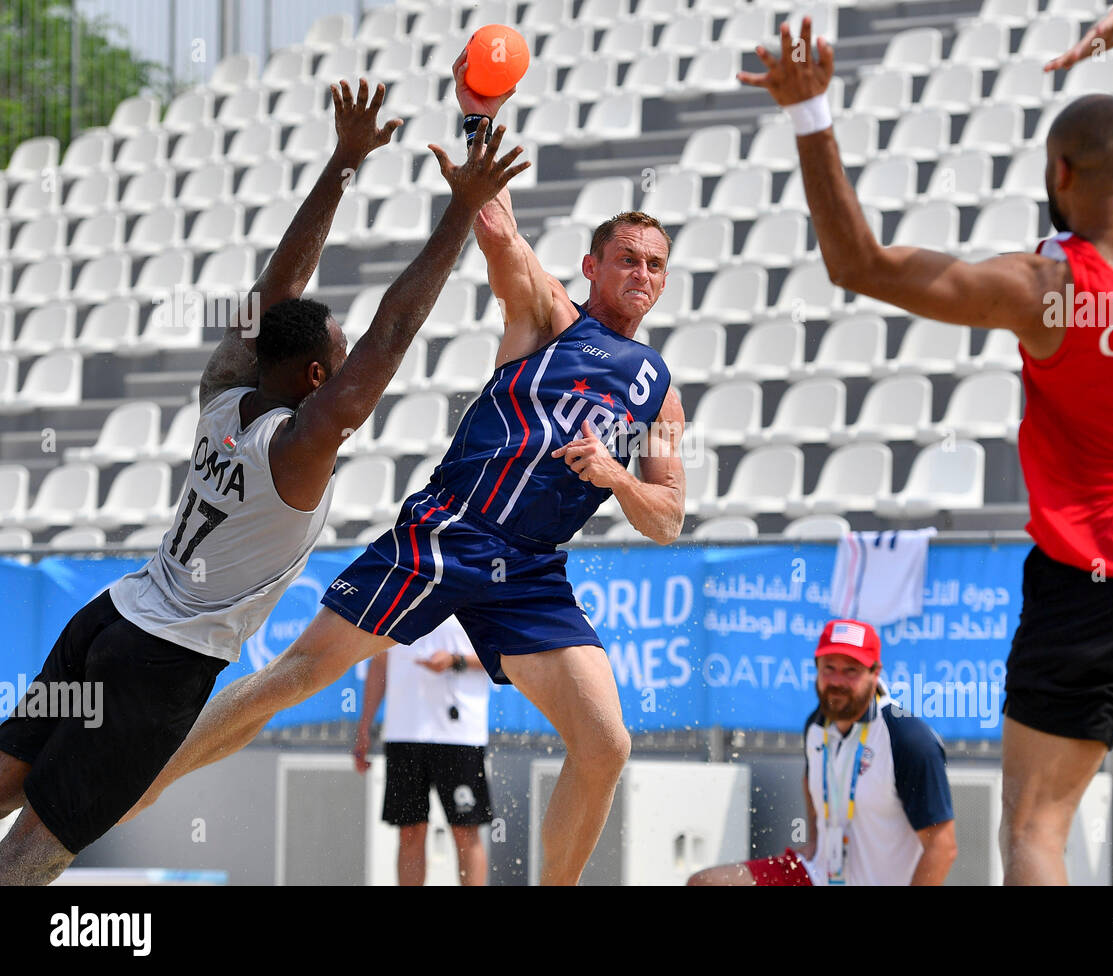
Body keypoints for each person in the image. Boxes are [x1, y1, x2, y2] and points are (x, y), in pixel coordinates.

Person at [128, 49, 687, 886]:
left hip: (529, 570)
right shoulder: (549, 314)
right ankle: (126, 785)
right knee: (297, 677)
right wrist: (478, 120)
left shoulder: (660, 393)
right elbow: (496, 228)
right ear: (593, 267)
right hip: (448, 532)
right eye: (628, 258)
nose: (641, 273)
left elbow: (668, 516)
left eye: (655, 263)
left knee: (606, 744)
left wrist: (618, 477)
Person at [741, 5, 1113, 885]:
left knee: (1036, 828)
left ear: (1058, 173)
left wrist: (809, 114)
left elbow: (859, 265)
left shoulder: (1042, 289)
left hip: (1094, 575)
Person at [0, 78, 527, 885]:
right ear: (317, 375)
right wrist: (464, 206)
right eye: (339, 359)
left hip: (109, 617)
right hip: (162, 664)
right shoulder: (302, 445)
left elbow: (279, 291)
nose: (353, 366)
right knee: (43, 840)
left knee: (7, 774)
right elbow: (393, 329)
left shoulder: (225, 389)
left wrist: (344, 162)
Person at [688, 620, 956, 886]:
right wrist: (815, 839)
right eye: (829, 668)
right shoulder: (817, 723)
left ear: (875, 673)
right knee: (705, 883)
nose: (837, 681)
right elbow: (810, 780)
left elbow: (943, 848)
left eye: (851, 670)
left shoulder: (908, 739)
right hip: (820, 875)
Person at [354, 614, 492, 886]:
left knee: (465, 832)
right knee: (409, 831)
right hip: (403, 731)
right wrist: (364, 727)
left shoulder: (474, 586)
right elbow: (380, 662)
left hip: (460, 733)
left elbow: (498, 657)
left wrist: (455, 660)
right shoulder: (400, 589)